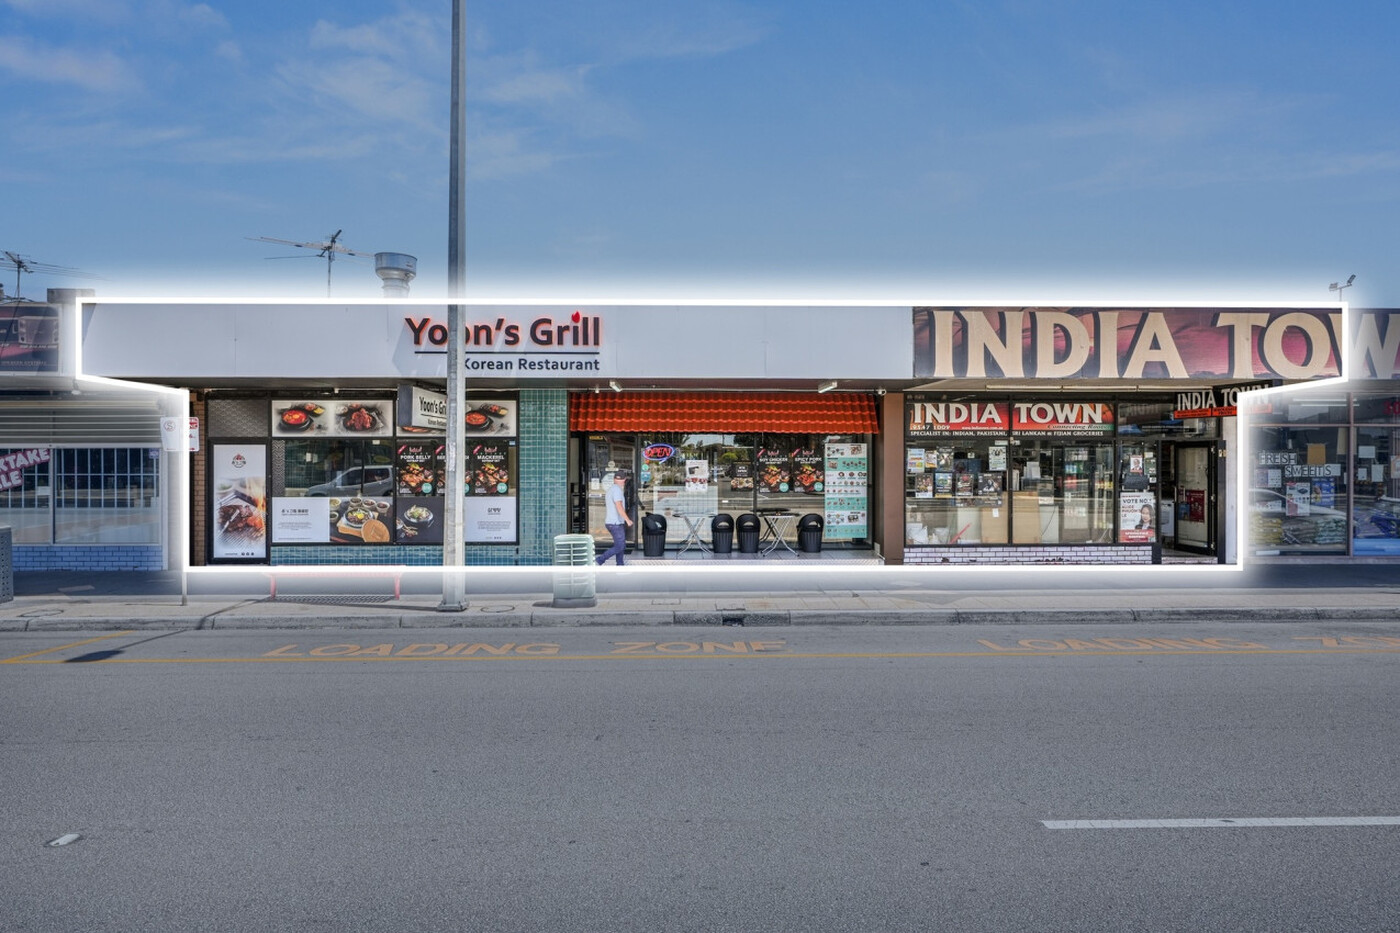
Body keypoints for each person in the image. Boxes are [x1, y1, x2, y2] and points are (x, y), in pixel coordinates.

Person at [596, 469, 634, 565]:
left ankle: (620, 564)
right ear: (624, 480)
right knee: (620, 546)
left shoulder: (611, 489)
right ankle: (600, 560)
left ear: (614, 479)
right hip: (615, 523)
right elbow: (619, 506)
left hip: (611, 522)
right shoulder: (617, 490)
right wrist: (627, 520)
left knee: (619, 545)